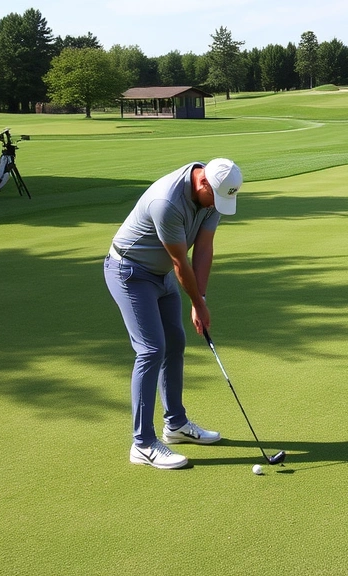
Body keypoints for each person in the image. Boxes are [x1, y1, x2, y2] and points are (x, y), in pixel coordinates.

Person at [104, 158, 243, 469]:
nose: (217, 206)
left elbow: (204, 247)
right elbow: (181, 262)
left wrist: (201, 298)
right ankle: (142, 444)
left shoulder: (215, 191)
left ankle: (176, 425)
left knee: (175, 343)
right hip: (130, 272)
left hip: (162, 273)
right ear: (202, 183)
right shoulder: (166, 201)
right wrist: (197, 304)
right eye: (215, 199)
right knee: (151, 350)